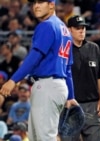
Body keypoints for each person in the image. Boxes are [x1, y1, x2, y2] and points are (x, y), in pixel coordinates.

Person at [0, 0, 78, 140]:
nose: (36, 6)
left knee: (45, 138)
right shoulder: (65, 30)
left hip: (47, 86)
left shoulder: (47, 25)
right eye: (34, 2)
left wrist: (13, 80)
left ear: (51, 5)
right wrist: (71, 96)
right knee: (36, 137)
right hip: (56, 86)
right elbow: (68, 68)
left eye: (41, 2)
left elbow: (35, 56)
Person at [66, 15, 100, 141]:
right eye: (77, 28)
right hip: (70, 105)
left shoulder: (93, 48)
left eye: (83, 28)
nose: (81, 30)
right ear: (69, 30)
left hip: (93, 106)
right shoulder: (63, 50)